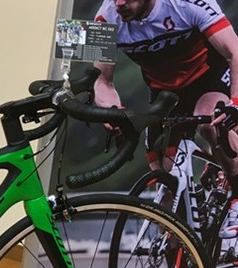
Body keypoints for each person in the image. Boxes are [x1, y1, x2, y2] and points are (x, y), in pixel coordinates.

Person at [93, 0, 238, 234]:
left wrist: (235, 103)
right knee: (163, 173)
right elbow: (101, 80)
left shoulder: (185, 4)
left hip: (208, 77)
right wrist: (112, 110)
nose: (119, 3)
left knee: (210, 124)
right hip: (166, 93)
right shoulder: (106, 18)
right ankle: (180, 249)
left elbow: (234, 51)